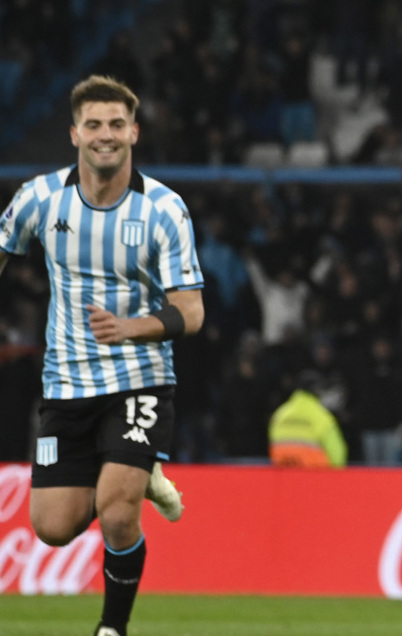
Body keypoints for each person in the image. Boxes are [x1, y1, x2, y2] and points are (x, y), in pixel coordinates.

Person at [0, 75, 204, 636]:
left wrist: (132, 329)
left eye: (117, 124)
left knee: (117, 515)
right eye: (94, 125)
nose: (105, 135)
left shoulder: (165, 209)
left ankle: (112, 629)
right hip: (65, 386)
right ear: (74, 134)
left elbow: (191, 311)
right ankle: (138, 474)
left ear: (135, 131)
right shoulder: (40, 199)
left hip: (139, 378)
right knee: (52, 526)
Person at [268, 373, 348, 468]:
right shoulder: (322, 416)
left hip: (285, 475)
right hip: (314, 477)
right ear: (318, 392)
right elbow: (338, 455)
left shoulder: (280, 414)